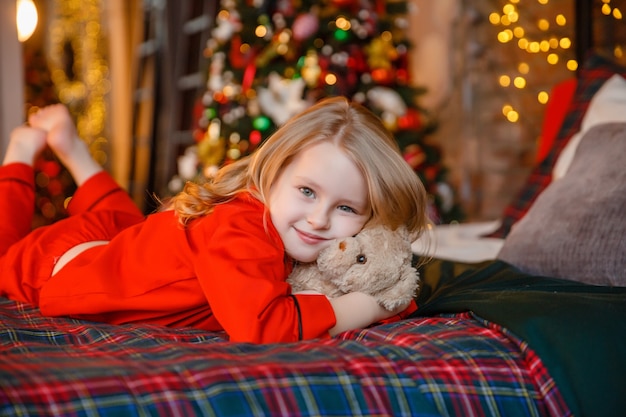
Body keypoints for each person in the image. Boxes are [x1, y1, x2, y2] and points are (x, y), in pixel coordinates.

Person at [0, 97, 429, 344]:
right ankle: (19, 152)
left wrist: (388, 287)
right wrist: (368, 306)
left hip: (123, 249)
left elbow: (382, 276)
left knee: (124, 221)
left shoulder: (287, 225)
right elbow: (262, 326)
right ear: (271, 175)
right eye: (307, 191)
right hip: (63, 267)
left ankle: (72, 149)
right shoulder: (244, 225)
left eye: (347, 208)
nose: (318, 220)